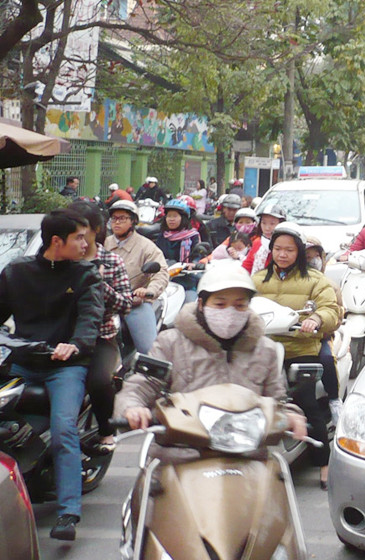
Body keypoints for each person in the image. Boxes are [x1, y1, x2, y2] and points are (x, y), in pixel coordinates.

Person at [114, 263, 307, 459]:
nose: (230, 313)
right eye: (220, 304)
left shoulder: (265, 349)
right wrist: (132, 407)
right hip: (180, 457)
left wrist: (290, 416)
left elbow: (277, 401)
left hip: (247, 458)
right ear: (201, 304)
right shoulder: (171, 342)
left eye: (240, 305)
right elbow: (142, 385)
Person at [0, 209, 104, 540]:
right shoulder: (16, 272)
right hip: (22, 362)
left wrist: (75, 346)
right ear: (57, 242)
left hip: (66, 367)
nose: (86, 244)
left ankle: (68, 512)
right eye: (79, 238)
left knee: (63, 432)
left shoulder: (87, 275)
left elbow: (91, 318)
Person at [252, 223, 339, 489]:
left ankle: (324, 463)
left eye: (289, 250)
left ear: (299, 252)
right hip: (264, 350)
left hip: (301, 349)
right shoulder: (257, 279)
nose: (283, 254)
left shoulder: (316, 280)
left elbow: (331, 311)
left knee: (307, 402)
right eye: (278, 248)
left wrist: (315, 318)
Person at [68, 201, 133, 455]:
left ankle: (106, 431)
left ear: (96, 229)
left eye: (82, 231)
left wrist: (99, 284)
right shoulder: (62, 258)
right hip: (62, 337)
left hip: (101, 338)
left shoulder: (111, 261)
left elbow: (126, 303)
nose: (79, 239)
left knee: (99, 381)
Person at [105, 200, 169, 354]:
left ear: (133, 221)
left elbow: (161, 272)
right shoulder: (103, 244)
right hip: (104, 303)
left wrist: (148, 291)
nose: (117, 222)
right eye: (114, 218)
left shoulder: (146, 246)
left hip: (133, 303)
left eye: (122, 218)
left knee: (149, 350)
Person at [305, 236, 344, 424]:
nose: (311, 261)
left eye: (314, 256)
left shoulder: (330, 286)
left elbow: (337, 317)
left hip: (320, 337)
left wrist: (319, 323)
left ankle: (334, 400)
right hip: (291, 337)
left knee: (327, 359)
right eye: (305, 257)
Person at [242, 206, 287, 274]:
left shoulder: (287, 244)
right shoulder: (257, 242)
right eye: (264, 223)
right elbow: (247, 265)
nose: (267, 228)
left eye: (272, 224)